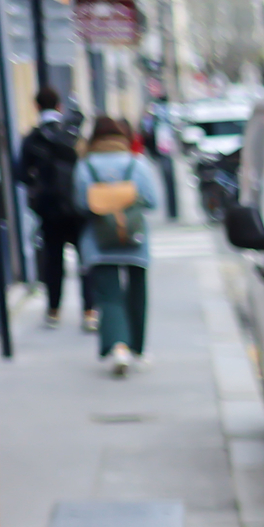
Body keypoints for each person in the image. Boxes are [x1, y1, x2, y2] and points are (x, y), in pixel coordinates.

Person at [73, 116, 163, 376]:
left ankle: (118, 346)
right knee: (137, 292)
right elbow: (152, 200)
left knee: (108, 294)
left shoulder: (85, 166)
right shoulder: (137, 163)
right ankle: (138, 347)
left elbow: (80, 203)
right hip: (134, 237)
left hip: (99, 240)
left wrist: (104, 202)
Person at [14, 88, 81, 327]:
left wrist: (38, 186)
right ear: (59, 106)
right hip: (76, 206)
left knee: (53, 259)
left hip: (49, 208)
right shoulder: (71, 133)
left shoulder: (32, 138)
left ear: (37, 107)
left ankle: (54, 309)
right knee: (85, 258)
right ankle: (90, 311)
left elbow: (20, 174)